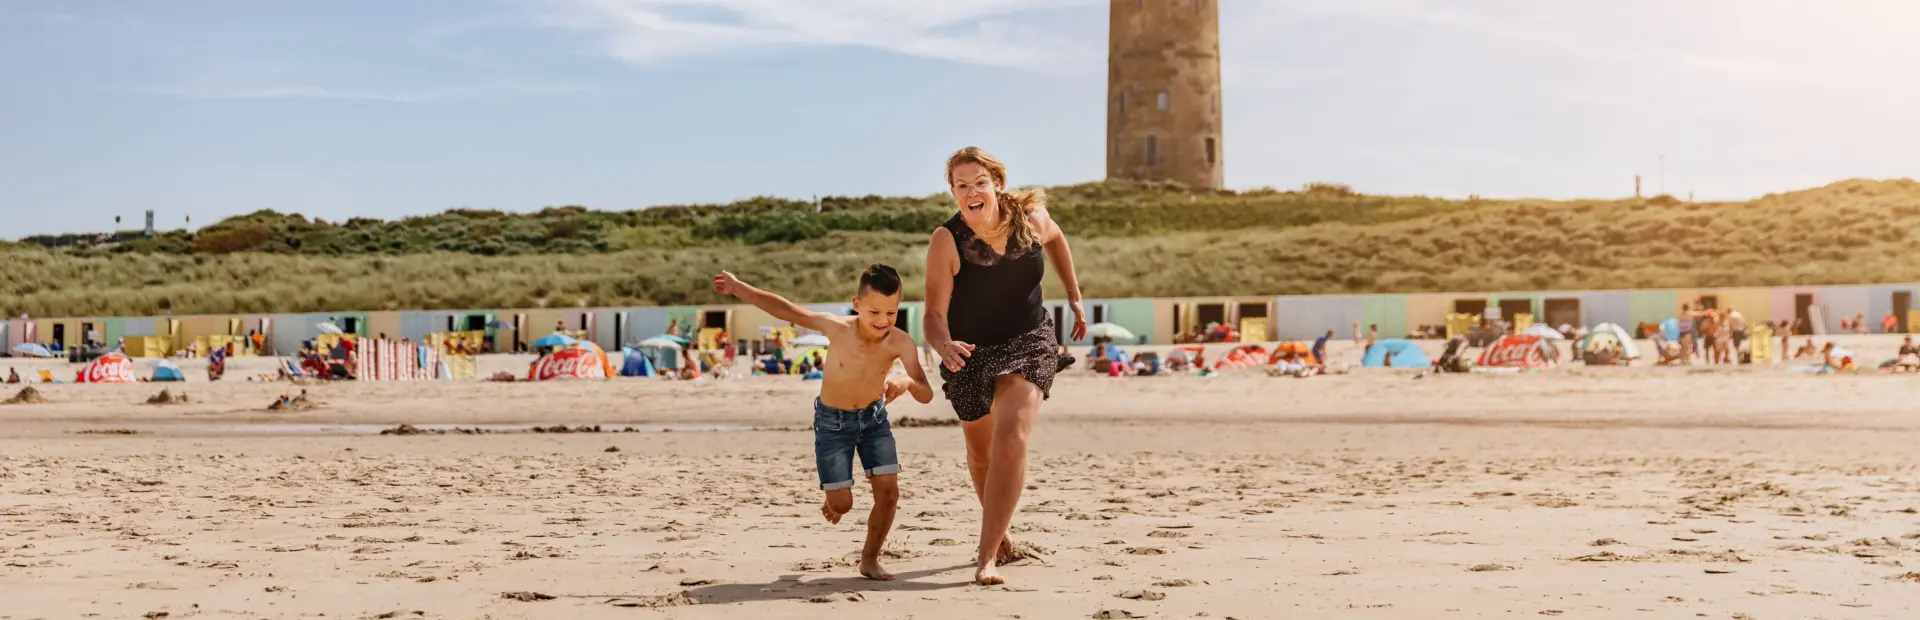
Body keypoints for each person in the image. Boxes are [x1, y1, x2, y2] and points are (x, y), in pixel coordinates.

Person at [923, 146, 1086, 586]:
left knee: (1011, 434)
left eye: (979, 181)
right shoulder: (947, 240)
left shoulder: (1030, 218)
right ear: (954, 193)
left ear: (996, 182)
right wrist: (943, 345)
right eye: (961, 185)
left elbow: (1056, 239)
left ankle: (986, 556)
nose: (972, 191)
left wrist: (1073, 292)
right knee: (981, 453)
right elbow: (933, 316)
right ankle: (1001, 532)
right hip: (971, 350)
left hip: (1029, 339)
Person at [712, 265, 933, 581]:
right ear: (856, 304)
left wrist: (907, 382)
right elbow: (787, 310)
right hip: (832, 423)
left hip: (874, 421)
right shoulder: (837, 328)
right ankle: (834, 499)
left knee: (888, 495)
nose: (883, 320)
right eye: (874, 312)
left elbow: (926, 393)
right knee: (842, 504)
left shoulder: (900, 342)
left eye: (891, 312)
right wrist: (738, 288)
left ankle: (869, 560)